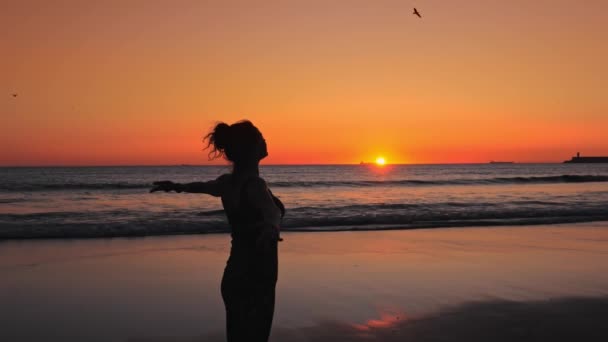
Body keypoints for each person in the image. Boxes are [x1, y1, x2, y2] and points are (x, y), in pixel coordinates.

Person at [150, 120, 284, 342]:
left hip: (234, 276)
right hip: (257, 276)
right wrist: (271, 228)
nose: (265, 140)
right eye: (260, 137)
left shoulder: (227, 183)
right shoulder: (255, 185)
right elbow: (272, 213)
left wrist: (176, 186)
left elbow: (201, 187)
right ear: (250, 148)